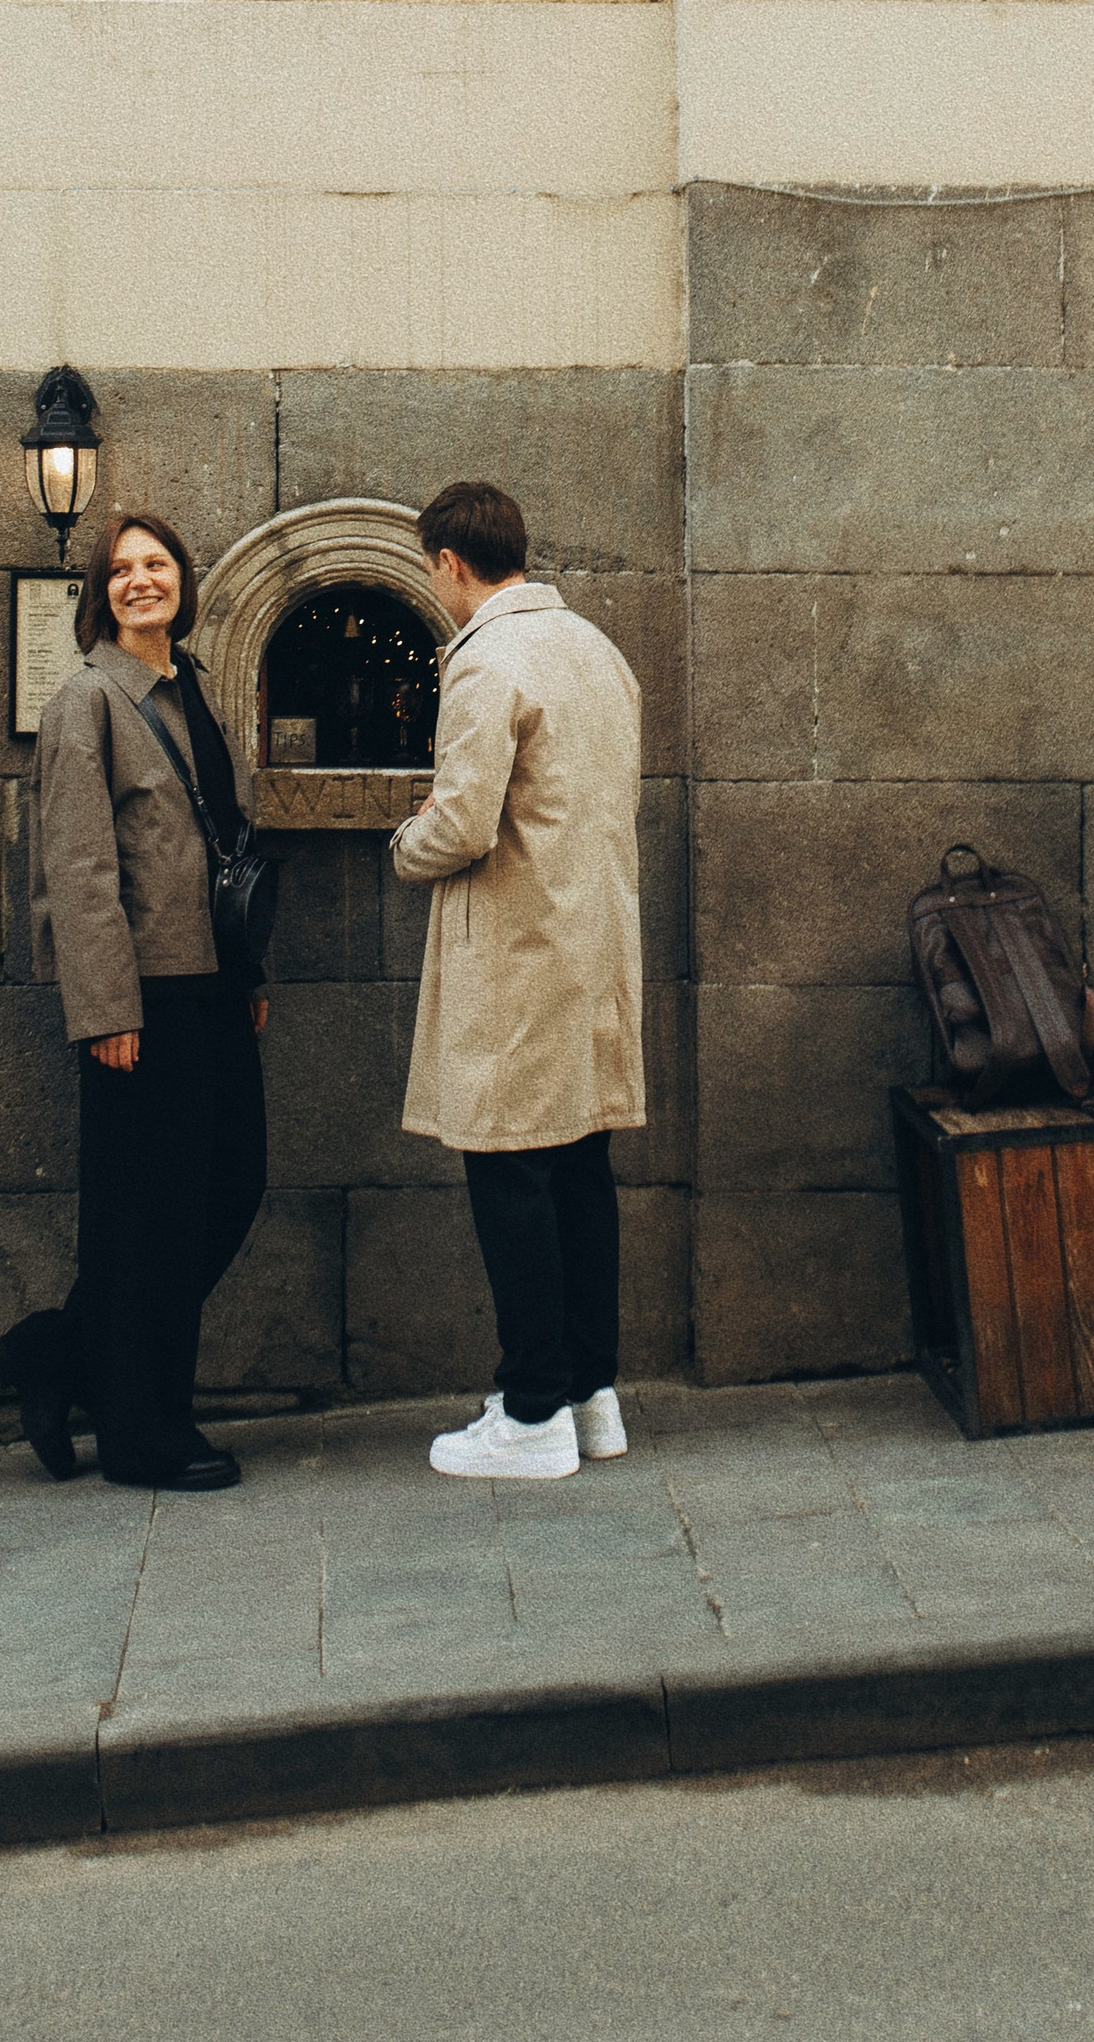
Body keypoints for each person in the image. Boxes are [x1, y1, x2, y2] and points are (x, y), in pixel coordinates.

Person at [0, 511, 268, 1494]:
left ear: (182, 580)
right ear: (99, 594)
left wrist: (247, 975)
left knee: (230, 1184)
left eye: (156, 564)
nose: (140, 580)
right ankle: (142, 1432)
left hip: (212, 987)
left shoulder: (193, 688)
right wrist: (107, 1010)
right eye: (119, 569)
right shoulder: (86, 701)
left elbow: (224, 841)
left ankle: (61, 1356)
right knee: (146, 1218)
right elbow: (77, 868)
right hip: (142, 999)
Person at [393, 480, 644, 1480]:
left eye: (431, 570)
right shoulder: (595, 649)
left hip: (516, 952)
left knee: (509, 1172)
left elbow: (461, 824)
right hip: (592, 946)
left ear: (449, 562)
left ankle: (532, 1408)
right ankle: (589, 1394)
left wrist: (404, 842)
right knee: (580, 1169)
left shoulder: (486, 656)